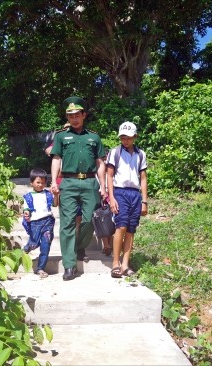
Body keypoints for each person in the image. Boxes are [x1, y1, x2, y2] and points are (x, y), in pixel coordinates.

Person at [50, 96, 107, 281]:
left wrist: (103, 186)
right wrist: (53, 182)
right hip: (68, 183)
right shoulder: (61, 136)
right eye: (70, 115)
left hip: (90, 183)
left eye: (77, 115)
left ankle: (79, 245)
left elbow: (100, 162)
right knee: (66, 223)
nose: (74, 118)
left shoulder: (94, 136)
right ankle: (69, 266)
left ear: (84, 115)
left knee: (91, 220)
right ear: (67, 117)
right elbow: (56, 158)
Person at [106, 121, 148, 278]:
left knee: (131, 229)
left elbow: (143, 178)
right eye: (123, 137)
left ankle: (125, 264)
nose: (126, 140)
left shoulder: (140, 154)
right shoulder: (115, 152)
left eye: (129, 137)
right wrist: (111, 198)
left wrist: (144, 201)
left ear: (135, 137)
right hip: (120, 192)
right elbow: (109, 176)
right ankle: (115, 263)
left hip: (135, 194)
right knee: (121, 226)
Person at [22, 168, 58, 278]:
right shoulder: (28, 196)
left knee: (45, 245)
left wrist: (56, 195)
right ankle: (26, 249)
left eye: (43, 183)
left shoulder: (47, 194)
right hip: (35, 223)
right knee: (34, 243)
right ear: (31, 183)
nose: (40, 185)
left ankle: (40, 268)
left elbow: (55, 204)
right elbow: (26, 209)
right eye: (38, 182)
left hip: (48, 222)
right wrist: (26, 213)